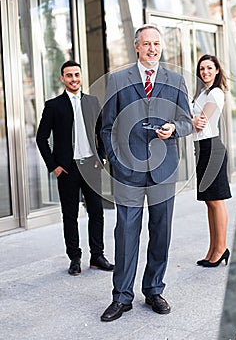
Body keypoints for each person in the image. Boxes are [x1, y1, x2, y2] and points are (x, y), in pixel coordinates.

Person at [100, 24, 193, 322]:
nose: (152, 49)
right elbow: (107, 126)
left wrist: (175, 128)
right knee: (126, 233)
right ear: (136, 47)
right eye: (146, 44)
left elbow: (187, 121)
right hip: (127, 170)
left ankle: (153, 289)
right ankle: (122, 297)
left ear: (161, 47)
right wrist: (116, 160)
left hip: (163, 170)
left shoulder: (176, 80)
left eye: (157, 44)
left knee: (161, 232)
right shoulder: (118, 80)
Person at [36, 60, 113, 276]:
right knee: (70, 215)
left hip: (91, 165)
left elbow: (102, 131)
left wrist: (102, 157)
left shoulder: (92, 101)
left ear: (81, 76)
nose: (74, 79)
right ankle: (75, 258)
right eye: (69, 75)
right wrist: (54, 167)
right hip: (67, 169)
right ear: (62, 78)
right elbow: (41, 138)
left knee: (96, 212)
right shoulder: (53, 105)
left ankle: (97, 255)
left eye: (77, 75)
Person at [192, 54, 231, 268]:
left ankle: (221, 248)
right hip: (202, 149)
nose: (205, 72)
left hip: (212, 147)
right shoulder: (202, 93)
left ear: (217, 70)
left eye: (209, 68)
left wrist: (184, 121)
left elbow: (201, 122)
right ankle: (212, 248)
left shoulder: (216, 92)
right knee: (209, 201)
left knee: (217, 201)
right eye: (201, 69)